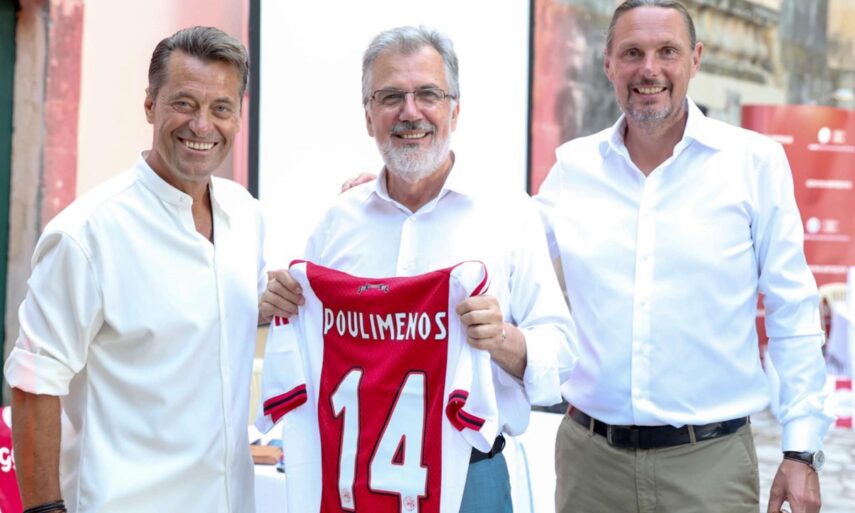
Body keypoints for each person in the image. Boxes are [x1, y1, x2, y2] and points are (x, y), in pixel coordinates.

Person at [259, 25, 578, 513]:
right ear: (368, 116)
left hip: (470, 477)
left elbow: (563, 352)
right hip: (354, 478)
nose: (410, 112)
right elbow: (308, 338)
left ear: (455, 110)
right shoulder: (337, 223)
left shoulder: (509, 214)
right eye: (390, 97)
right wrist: (280, 302)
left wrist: (502, 339)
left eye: (428, 94)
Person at [535, 2, 832, 513]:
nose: (649, 69)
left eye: (667, 52)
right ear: (608, 64)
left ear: (695, 59)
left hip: (709, 468)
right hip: (590, 467)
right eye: (632, 53)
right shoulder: (572, 168)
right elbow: (509, 257)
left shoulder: (753, 163)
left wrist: (801, 450)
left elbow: (792, 310)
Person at [5, 27, 266, 513]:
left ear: (237, 115)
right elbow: (34, 385)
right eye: (184, 103)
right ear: (150, 105)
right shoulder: (85, 236)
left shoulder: (247, 216)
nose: (202, 125)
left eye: (221, 108)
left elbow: (233, 310)